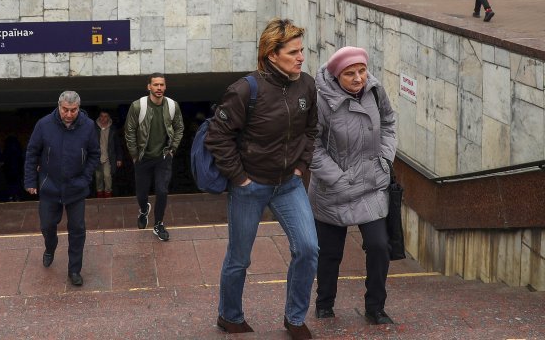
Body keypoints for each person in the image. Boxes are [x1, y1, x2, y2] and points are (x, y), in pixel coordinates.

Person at [205, 18, 319, 339]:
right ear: (272, 54)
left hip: (289, 184)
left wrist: (300, 167)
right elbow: (218, 136)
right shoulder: (245, 90)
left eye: (302, 50)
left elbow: (312, 130)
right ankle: (229, 316)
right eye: (293, 52)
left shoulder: (306, 85)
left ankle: (295, 319)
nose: (301, 57)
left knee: (308, 249)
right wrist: (240, 179)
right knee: (239, 258)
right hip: (250, 186)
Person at [309, 46, 397, 326]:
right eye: (350, 73)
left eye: (361, 70)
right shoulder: (320, 100)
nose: (358, 77)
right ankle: (324, 304)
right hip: (333, 188)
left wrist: (384, 159)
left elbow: (389, 122)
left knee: (379, 245)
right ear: (337, 76)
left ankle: (375, 307)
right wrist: (337, 177)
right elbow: (311, 145)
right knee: (330, 252)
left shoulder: (374, 90)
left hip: (371, 184)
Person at [25, 91, 100, 287]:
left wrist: (85, 178)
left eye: (73, 110)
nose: (69, 114)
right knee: (47, 225)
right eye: (65, 110)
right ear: (59, 107)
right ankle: (50, 246)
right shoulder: (43, 124)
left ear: (78, 108)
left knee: (77, 229)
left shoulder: (89, 126)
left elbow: (94, 154)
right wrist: (31, 181)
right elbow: (32, 153)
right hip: (50, 186)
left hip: (76, 187)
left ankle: (74, 270)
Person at [124, 73, 184, 242]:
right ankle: (144, 210)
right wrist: (135, 155)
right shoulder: (138, 106)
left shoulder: (172, 106)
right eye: (155, 85)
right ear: (148, 86)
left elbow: (179, 128)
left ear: (165, 87)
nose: (159, 88)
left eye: (162, 85)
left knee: (162, 191)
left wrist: (173, 149)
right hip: (143, 158)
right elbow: (129, 132)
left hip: (163, 157)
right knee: (141, 194)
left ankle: (158, 224)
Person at [94, 110, 122, 198]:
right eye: (101, 116)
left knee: (107, 176)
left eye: (105, 116)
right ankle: (99, 196)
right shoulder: (94, 128)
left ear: (109, 118)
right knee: (98, 177)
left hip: (108, 157)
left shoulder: (113, 129)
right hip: (97, 157)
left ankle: (108, 196)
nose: (103, 118)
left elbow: (117, 145)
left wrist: (119, 158)